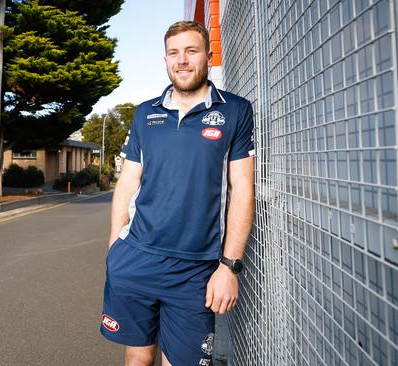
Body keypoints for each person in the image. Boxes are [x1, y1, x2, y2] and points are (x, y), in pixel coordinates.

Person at [99, 20, 256, 366]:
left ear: (209, 57)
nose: (181, 60)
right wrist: (114, 247)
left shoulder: (235, 111)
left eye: (191, 51)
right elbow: (127, 183)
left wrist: (229, 267)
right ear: (166, 60)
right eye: (173, 53)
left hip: (195, 270)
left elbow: (243, 190)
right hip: (136, 258)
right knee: (138, 357)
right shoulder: (145, 114)